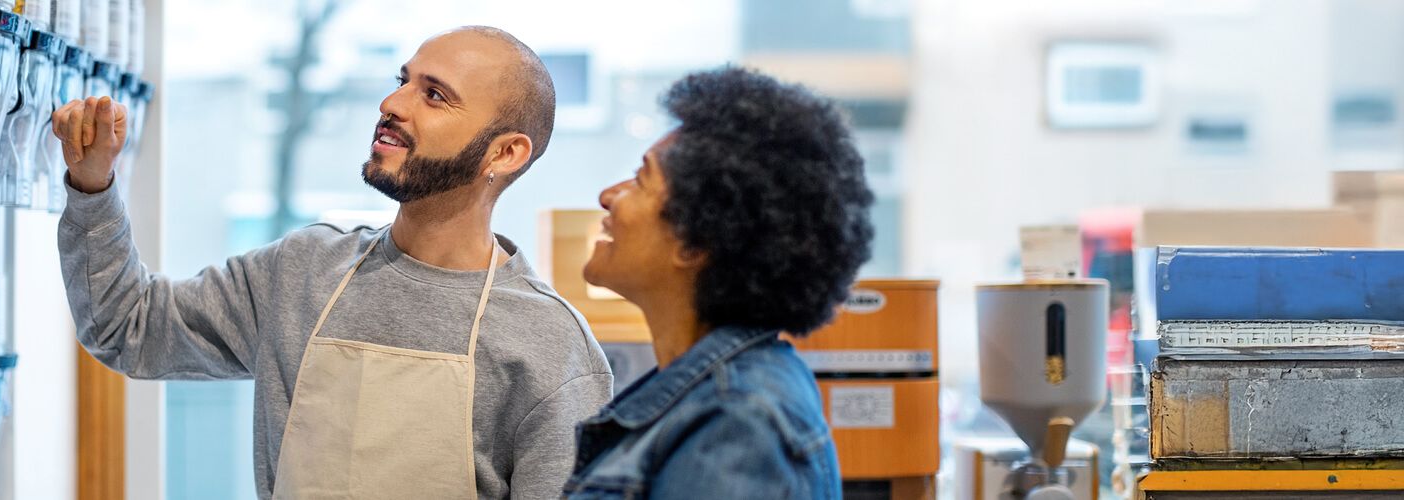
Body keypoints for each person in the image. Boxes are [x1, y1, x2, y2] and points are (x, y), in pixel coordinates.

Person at [52, 26, 613, 499]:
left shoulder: (551, 346)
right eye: (403, 81)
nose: (392, 104)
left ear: (506, 152)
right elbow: (127, 326)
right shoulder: (302, 273)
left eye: (435, 95)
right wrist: (92, 185)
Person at [564, 67, 872, 499]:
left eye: (640, 179)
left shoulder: (738, 418)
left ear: (695, 240)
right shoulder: (715, 397)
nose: (608, 195)